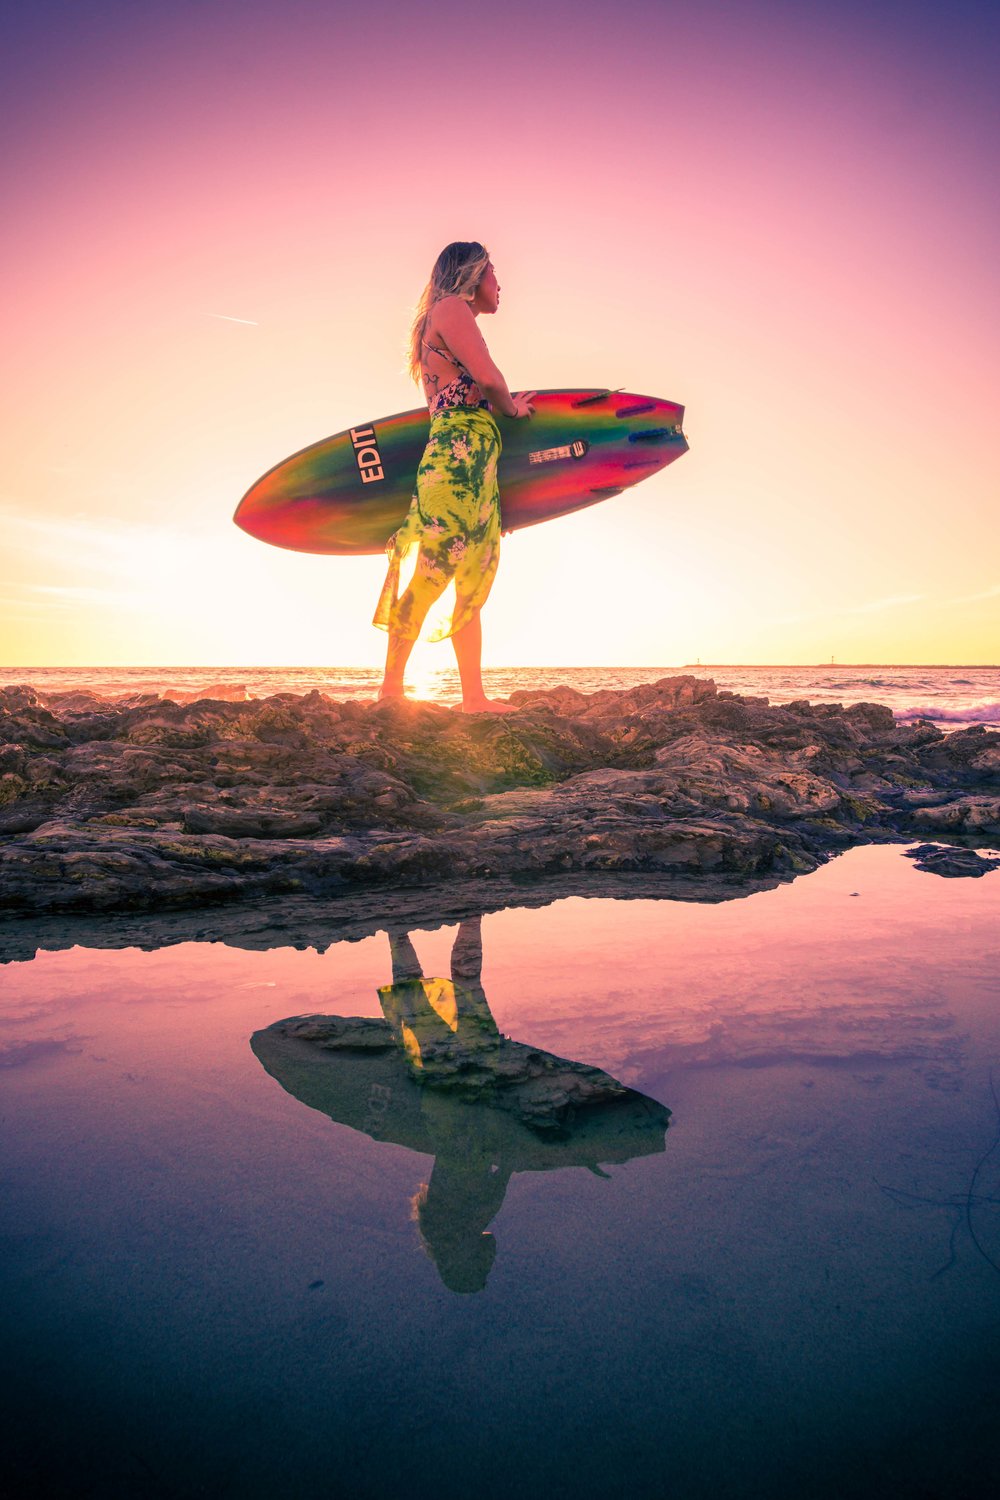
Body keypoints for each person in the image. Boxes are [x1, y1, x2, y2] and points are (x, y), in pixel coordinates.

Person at [373, 242, 535, 712]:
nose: (499, 284)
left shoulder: (443, 317)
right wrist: (513, 409)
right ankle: (390, 691)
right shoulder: (451, 308)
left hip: (473, 462)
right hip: (457, 461)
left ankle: (473, 697)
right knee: (436, 570)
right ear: (473, 273)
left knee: (471, 572)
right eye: (493, 272)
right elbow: (489, 379)